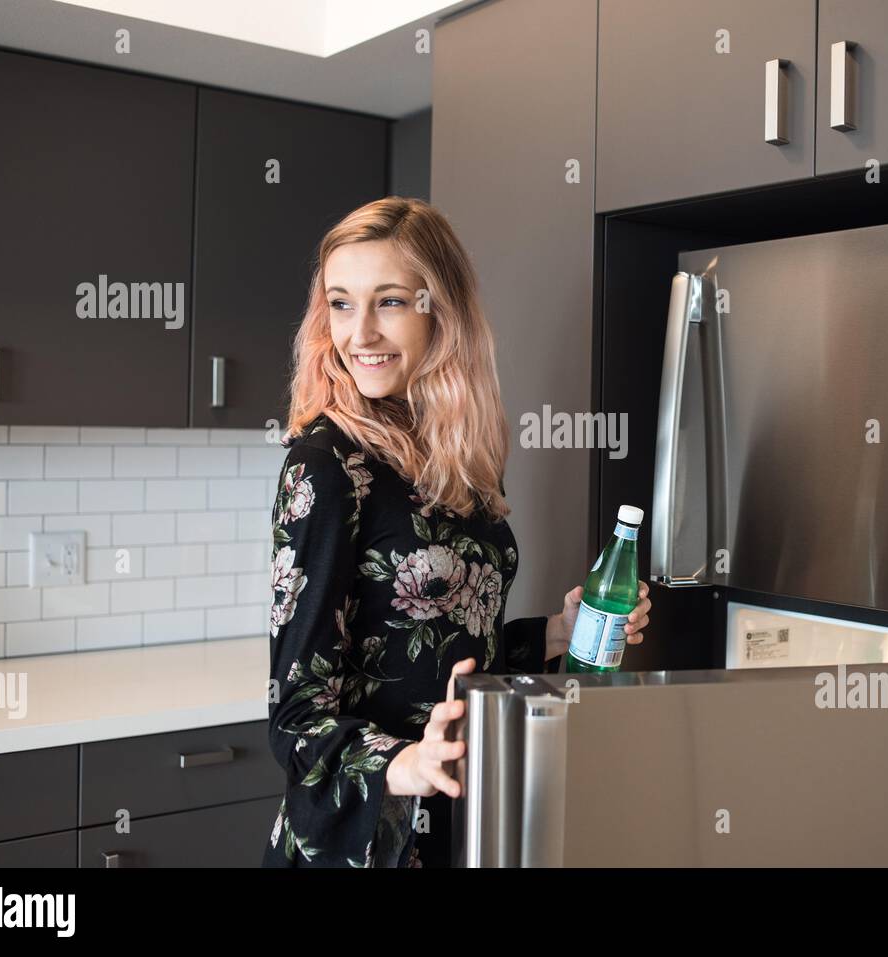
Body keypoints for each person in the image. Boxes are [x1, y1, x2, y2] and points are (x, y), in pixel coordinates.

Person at [262, 197, 651, 867]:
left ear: (439, 310)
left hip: (462, 819)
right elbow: (296, 715)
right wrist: (407, 762)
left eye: (388, 302)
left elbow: (450, 647)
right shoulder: (327, 462)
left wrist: (555, 635)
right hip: (366, 842)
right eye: (342, 303)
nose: (359, 334)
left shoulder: (461, 456)